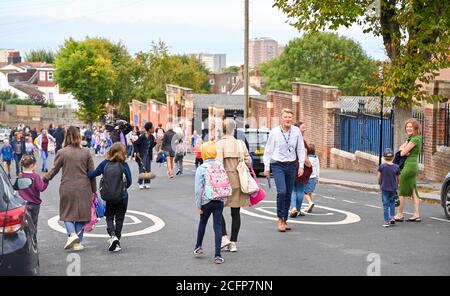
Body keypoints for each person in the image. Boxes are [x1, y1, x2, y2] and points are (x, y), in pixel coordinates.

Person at [43, 126, 97, 251]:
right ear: (79, 136)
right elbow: (92, 173)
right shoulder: (86, 152)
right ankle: (77, 242)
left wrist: (45, 178)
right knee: (81, 216)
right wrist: (94, 190)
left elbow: (54, 170)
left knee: (67, 214)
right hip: (84, 188)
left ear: (66, 136)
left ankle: (72, 235)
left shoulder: (62, 152)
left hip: (67, 187)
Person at [263, 109, 305, 232]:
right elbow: (268, 150)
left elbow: (301, 149)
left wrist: (301, 166)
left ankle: (285, 219)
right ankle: (280, 219)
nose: (288, 119)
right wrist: (266, 167)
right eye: (285, 117)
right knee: (282, 192)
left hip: (291, 165)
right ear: (281, 118)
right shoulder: (274, 132)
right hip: (278, 165)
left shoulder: (296, 131)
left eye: (290, 117)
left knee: (288, 193)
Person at [215, 119, 251, 252]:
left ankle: (224, 237)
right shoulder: (241, 144)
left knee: (218, 210)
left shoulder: (219, 144)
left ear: (222, 130)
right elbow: (248, 162)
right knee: (236, 212)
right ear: (234, 129)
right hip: (239, 180)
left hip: (224, 180)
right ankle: (233, 242)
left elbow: (218, 164)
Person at [88, 143, 132, 252]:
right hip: (122, 197)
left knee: (109, 216)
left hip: (109, 197)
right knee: (120, 218)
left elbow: (93, 174)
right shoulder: (124, 165)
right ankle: (117, 239)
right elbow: (129, 182)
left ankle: (112, 236)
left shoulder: (105, 164)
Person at [193, 141, 227, 264]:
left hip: (206, 201)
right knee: (217, 226)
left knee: (203, 222)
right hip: (219, 200)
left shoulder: (201, 168)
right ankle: (218, 255)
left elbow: (198, 189)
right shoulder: (220, 165)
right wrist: (224, 199)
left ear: (203, 153)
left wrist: (198, 205)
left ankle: (198, 247)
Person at [395, 119, 423, 222]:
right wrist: (403, 149)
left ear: (415, 128)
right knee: (413, 191)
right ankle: (416, 214)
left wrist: (403, 150)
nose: (408, 128)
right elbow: (400, 148)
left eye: (410, 127)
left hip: (409, 166)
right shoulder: (412, 138)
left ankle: (399, 214)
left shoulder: (415, 139)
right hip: (412, 166)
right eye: (407, 127)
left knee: (401, 190)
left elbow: (401, 153)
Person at [18, 155, 49, 237]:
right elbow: (41, 188)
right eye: (35, 164)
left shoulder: (20, 175)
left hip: (24, 204)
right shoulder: (35, 176)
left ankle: (26, 239)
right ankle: (33, 240)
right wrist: (46, 181)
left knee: (25, 224)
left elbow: (17, 188)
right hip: (34, 203)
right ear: (32, 165)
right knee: (34, 223)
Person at [289, 122, 312, 218]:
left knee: (292, 189)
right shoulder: (302, 141)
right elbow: (305, 158)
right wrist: (310, 166)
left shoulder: (290, 139)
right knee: (300, 189)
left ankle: (293, 208)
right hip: (301, 168)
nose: (305, 129)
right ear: (297, 129)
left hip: (291, 166)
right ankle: (297, 210)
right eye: (303, 127)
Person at [378, 148, 400, 227]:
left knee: (385, 204)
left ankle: (386, 221)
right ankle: (392, 218)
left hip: (384, 188)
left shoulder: (382, 166)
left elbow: (379, 177)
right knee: (392, 203)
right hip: (393, 188)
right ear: (393, 157)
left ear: (383, 157)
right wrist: (398, 184)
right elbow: (398, 178)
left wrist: (379, 183)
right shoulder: (396, 167)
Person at [134, 122, 156, 189]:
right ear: (149, 129)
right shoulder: (142, 137)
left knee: (148, 169)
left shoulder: (152, 137)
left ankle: (147, 182)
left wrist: (155, 142)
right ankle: (140, 182)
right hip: (141, 155)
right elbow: (135, 143)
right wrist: (137, 152)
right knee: (142, 169)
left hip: (148, 155)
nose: (153, 129)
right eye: (152, 128)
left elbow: (151, 146)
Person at [304, 143, 320, 213]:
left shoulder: (307, 159)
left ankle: (310, 203)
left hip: (308, 177)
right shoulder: (316, 158)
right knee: (310, 192)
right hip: (314, 177)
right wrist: (317, 178)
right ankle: (309, 205)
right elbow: (318, 168)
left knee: (304, 192)